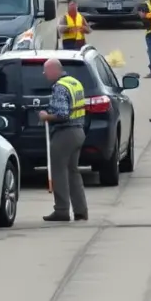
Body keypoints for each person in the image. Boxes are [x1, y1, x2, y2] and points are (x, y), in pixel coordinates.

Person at [38, 58, 88, 222]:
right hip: (79, 131)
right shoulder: (74, 83)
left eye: (46, 70)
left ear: (54, 70)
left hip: (65, 133)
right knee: (73, 172)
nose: (44, 74)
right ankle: (81, 211)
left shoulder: (60, 87)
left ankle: (62, 210)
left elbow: (62, 114)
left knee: (58, 171)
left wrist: (46, 116)